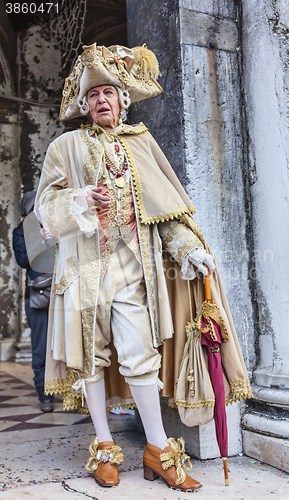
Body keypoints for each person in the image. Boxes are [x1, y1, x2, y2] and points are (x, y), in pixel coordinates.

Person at [35, 43, 252, 491]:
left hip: (134, 272)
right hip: (83, 272)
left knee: (141, 359)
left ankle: (158, 450)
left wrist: (189, 249)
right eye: (92, 95)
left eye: (108, 93)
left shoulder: (141, 143)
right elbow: (44, 208)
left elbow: (166, 211)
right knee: (89, 361)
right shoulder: (65, 146)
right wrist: (79, 199)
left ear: (122, 98)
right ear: (83, 103)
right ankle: (104, 448)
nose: (101, 101)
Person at [13, 191, 54, 413]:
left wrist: (55, 238)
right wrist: (40, 240)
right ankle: (44, 395)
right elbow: (22, 260)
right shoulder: (19, 232)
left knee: (70, 341)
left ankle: (75, 392)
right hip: (38, 295)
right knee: (40, 346)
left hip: (63, 293)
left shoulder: (55, 226)